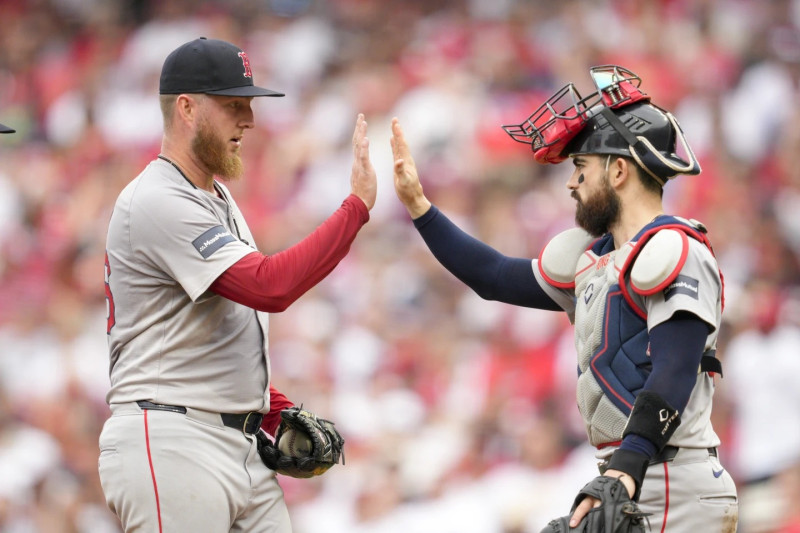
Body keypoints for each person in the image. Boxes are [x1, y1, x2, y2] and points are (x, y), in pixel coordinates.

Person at [391, 66, 738, 532]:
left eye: (581, 168)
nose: (572, 184)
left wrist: (625, 471)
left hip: (673, 481)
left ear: (618, 170)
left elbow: (673, 370)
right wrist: (419, 207)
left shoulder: (675, 250)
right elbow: (493, 277)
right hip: (635, 476)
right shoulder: (599, 259)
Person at [98, 37, 376, 532]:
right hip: (171, 439)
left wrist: (270, 409)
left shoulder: (215, 195)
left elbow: (210, 333)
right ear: (186, 107)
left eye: (248, 105)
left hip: (235, 443)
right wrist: (354, 209)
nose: (248, 119)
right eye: (233, 106)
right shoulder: (157, 199)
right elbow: (271, 287)